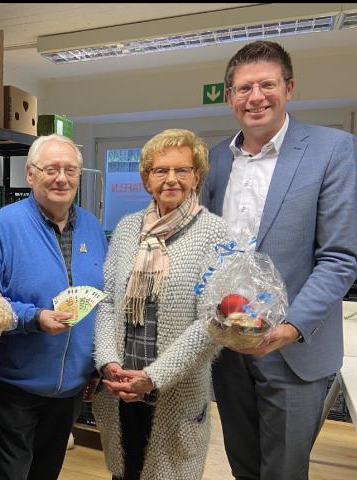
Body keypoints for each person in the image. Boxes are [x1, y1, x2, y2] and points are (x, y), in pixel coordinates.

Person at [202, 40, 357, 480]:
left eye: (266, 84)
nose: (255, 97)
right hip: (229, 347)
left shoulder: (333, 150)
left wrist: (289, 329)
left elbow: (341, 257)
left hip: (292, 348)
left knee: (285, 472)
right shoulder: (214, 161)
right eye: (243, 88)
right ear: (229, 96)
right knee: (243, 467)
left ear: (288, 88)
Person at [92, 129, 230, 480]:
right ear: (146, 179)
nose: (171, 179)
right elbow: (108, 300)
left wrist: (153, 378)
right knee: (125, 470)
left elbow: (211, 323)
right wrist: (109, 361)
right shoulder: (127, 229)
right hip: (123, 387)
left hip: (175, 391)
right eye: (160, 170)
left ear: (196, 176)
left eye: (182, 170)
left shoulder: (215, 233)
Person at [0, 133, 107, 480]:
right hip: (12, 385)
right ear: (30, 174)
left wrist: (94, 366)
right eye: (51, 169)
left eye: (70, 170)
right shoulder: (5, 225)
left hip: (69, 391)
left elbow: (101, 301)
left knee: (46, 473)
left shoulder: (92, 228)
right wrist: (33, 318)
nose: (61, 178)